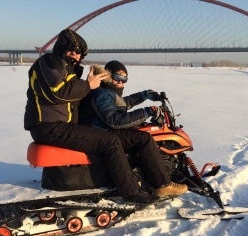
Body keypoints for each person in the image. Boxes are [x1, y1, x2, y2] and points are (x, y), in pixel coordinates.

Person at [24, 29, 161, 205]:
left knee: (108, 139)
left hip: (58, 125)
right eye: (71, 49)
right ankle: (130, 191)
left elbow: (112, 103)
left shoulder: (66, 68)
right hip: (49, 126)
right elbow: (57, 92)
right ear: (61, 47)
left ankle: (121, 181)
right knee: (110, 141)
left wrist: (141, 96)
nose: (75, 54)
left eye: (79, 52)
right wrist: (88, 85)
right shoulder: (49, 62)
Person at [79, 60, 188, 198]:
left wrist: (145, 95)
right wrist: (148, 112)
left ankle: (144, 174)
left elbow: (122, 104)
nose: (121, 82)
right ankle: (162, 185)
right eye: (118, 77)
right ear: (108, 75)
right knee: (145, 138)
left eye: (124, 79)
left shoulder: (106, 91)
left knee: (139, 131)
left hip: (101, 129)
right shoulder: (103, 94)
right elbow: (114, 120)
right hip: (102, 133)